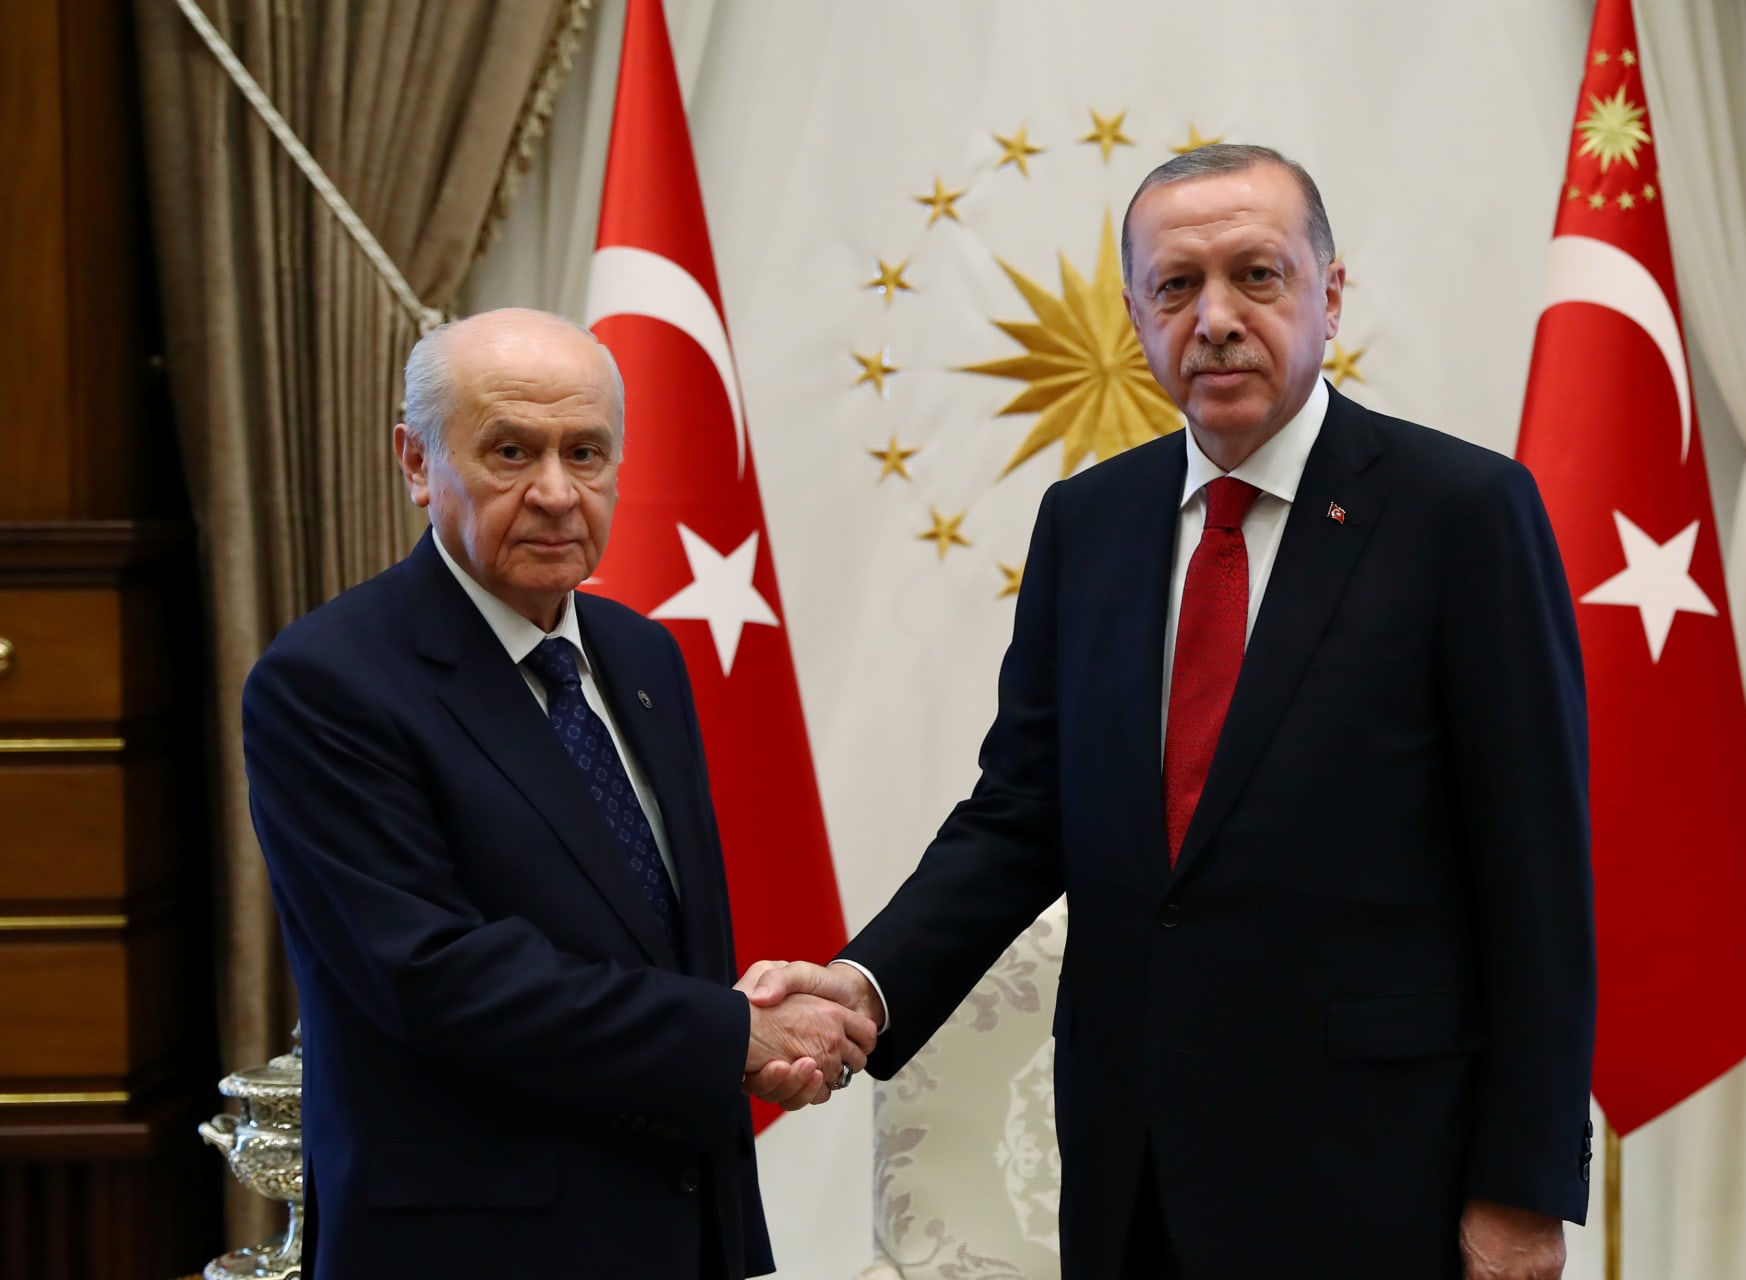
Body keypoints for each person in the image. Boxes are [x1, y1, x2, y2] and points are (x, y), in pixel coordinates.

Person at [761, 145, 1596, 1278]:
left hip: (1383, 1171)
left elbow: (1536, 872)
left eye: (1257, 275)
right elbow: (1022, 812)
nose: (1215, 319)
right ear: (1134, 315)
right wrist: (862, 986)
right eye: (1176, 285)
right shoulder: (1088, 522)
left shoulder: (1464, 512)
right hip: (1133, 1165)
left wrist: (1522, 1183)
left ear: (1329, 294)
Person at [242, 308, 875, 1280]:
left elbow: (661, 940)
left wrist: (740, 1031)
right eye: (509, 451)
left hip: (675, 1227)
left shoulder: (642, 653)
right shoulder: (327, 680)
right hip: (468, 1246)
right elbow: (439, 976)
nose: (554, 492)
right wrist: (731, 1032)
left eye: (586, 452)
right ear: (417, 462)